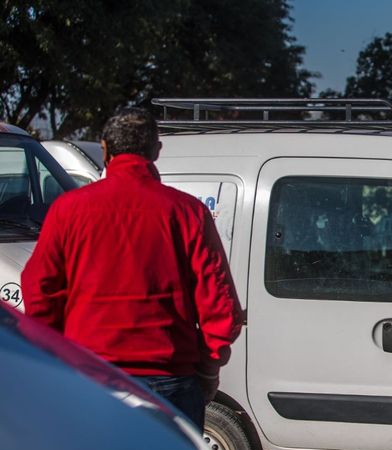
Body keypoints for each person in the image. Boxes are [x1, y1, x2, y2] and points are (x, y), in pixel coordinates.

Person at [21, 107, 243, 428]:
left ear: (106, 148)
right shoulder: (188, 212)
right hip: (170, 382)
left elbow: (40, 294)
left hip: (89, 377)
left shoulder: (68, 210)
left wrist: (56, 361)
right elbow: (221, 307)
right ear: (156, 151)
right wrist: (209, 368)